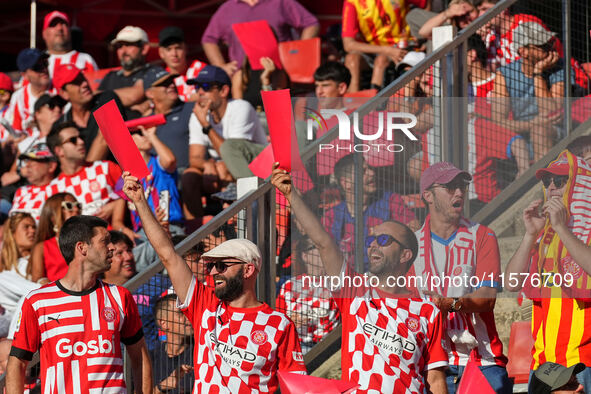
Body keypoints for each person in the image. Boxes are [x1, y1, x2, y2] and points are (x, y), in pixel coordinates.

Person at [122, 171, 307, 392]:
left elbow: (297, 386)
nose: (214, 273)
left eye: (222, 266)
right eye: (211, 266)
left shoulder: (279, 324)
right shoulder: (206, 307)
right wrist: (141, 202)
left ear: (248, 269)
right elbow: (168, 255)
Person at [271, 163, 448, 394]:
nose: (374, 245)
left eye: (384, 240)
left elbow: (435, 380)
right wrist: (291, 194)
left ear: (405, 254)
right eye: (371, 240)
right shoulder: (355, 292)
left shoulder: (427, 310)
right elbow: (324, 243)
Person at [5, 215, 152, 394]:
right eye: (105, 242)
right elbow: (17, 362)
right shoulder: (38, 301)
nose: (112, 247)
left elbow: (140, 358)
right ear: (82, 248)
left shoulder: (120, 296)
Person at [414, 161, 510, 394]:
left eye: (462, 186)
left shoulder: (483, 235)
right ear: (428, 195)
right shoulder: (411, 246)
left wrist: (450, 304)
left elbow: (487, 299)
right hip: (433, 364)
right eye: (450, 187)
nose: (459, 192)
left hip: (481, 361)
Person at [505, 150, 591, 392]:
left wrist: (562, 228)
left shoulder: (587, 228)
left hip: (583, 364)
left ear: (578, 184)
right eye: (547, 181)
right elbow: (511, 282)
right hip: (543, 364)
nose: (552, 187)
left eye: (560, 181)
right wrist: (530, 234)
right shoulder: (544, 234)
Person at [183, 65, 267, 224]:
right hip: (221, 170)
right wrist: (208, 164)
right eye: (197, 86)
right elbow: (194, 158)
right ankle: (197, 229)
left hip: (254, 167)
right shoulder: (198, 115)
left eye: (206, 87)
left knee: (225, 169)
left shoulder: (241, 107)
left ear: (223, 91)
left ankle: (245, 221)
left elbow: (233, 154)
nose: (200, 92)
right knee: (189, 176)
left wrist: (205, 125)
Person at [492, 21, 577, 160]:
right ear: (523, 51)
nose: (550, 48)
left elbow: (551, 113)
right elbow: (497, 121)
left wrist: (538, 74)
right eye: (542, 46)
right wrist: (532, 124)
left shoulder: (561, 67)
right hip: (522, 133)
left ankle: (543, 180)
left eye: (550, 42)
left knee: (540, 132)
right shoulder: (504, 74)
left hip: (559, 131)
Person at [322, 153, 419, 269]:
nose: (372, 173)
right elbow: (322, 252)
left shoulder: (390, 200)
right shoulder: (331, 216)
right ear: (346, 183)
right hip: (347, 279)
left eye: (370, 169)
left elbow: (414, 229)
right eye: (363, 172)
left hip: (384, 273)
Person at [201, 0, 319, 93]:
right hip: (244, 80)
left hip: (278, 77)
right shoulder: (227, 8)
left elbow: (311, 24)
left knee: (279, 117)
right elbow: (208, 39)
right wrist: (221, 66)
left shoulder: (281, 2)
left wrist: (298, 55)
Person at [46, 122, 126, 228]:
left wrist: (116, 206)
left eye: (81, 137)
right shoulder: (52, 189)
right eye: (73, 140)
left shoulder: (106, 168)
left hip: (114, 237)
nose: (81, 142)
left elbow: (134, 189)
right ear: (59, 151)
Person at [275, 236, 340, 353]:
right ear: (305, 256)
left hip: (327, 348)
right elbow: (277, 323)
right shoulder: (289, 286)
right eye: (317, 247)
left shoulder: (338, 286)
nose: (324, 251)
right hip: (297, 346)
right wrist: (290, 323)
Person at [341, 0, 422, 91]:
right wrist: (386, 50)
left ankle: (375, 100)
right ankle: (352, 102)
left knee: (381, 60)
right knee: (351, 59)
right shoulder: (353, 2)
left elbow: (425, 4)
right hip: (374, 50)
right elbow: (348, 45)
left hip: (401, 48)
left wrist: (422, 37)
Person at [53, 63, 127, 161]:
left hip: (122, 173)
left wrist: (88, 174)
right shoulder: (61, 126)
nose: (84, 84)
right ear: (64, 93)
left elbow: (104, 139)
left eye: (83, 78)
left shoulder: (106, 99)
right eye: (76, 82)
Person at [142, 67, 194, 172]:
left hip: (189, 175)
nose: (171, 85)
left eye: (171, 81)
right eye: (164, 84)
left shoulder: (192, 109)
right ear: (149, 93)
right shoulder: (144, 123)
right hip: (159, 181)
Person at [98, 26, 155, 112]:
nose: (123, 51)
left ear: (144, 48)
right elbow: (95, 102)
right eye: (119, 46)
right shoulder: (110, 76)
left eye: (128, 45)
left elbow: (134, 96)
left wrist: (100, 97)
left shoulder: (154, 72)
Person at [30, 192, 80, 283]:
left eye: (78, 205)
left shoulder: (89, 241)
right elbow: (37, 280)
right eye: (69, 206)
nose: (76, 209)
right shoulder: (42, 247)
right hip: (56, 294)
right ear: (53, 216)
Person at [0, 213, 39, 321]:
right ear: (12, 233)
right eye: (26, 227)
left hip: (36, 311)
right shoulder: (4, 267)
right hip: (11, 321)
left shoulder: (40, 258)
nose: (32, 231)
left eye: (34, 227)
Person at [153, 293, 195, 394]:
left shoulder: (203, 352)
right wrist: (162, 386)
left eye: (188, 311)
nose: (189, 316)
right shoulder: (151, 358)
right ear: (164, 323)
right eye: (181, 313)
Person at [8, 141, 58, 222]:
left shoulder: (61, 187)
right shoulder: (21, 192)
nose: (27, 165)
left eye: (34, 160)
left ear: (51, 166)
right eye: (27, 160)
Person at [6, 48, 52, 133]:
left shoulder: (59, 89)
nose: (44, 70)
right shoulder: (19, 97)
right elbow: (17, 131)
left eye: (45, 64)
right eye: (37, 67)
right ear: (24, 75)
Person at [42, 10, 98, 77]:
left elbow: (96, 86)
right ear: (44, 33)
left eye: (64, 24)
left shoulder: (86, 60)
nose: (59, 28)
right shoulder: (37, 63)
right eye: (53, 24)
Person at [158, 26, 207, 102]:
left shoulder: (202, 69)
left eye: (178, 48)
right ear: (161, 53)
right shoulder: (161, 80)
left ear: (186, 49)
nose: (174, 54)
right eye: (169, 49)